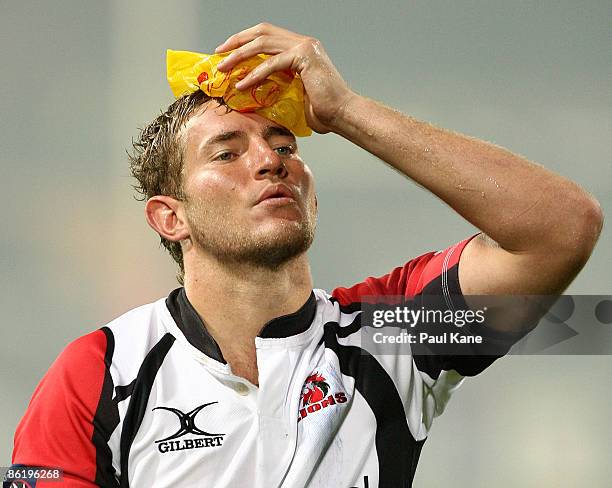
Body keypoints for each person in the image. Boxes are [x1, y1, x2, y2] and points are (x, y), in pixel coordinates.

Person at [9, 23, 602, 488]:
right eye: (226, 153)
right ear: (171, 217)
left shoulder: (390, 334)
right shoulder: (97, 371)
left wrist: (344, 111)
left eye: (284, 144)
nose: (271, 161)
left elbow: (562, 227)